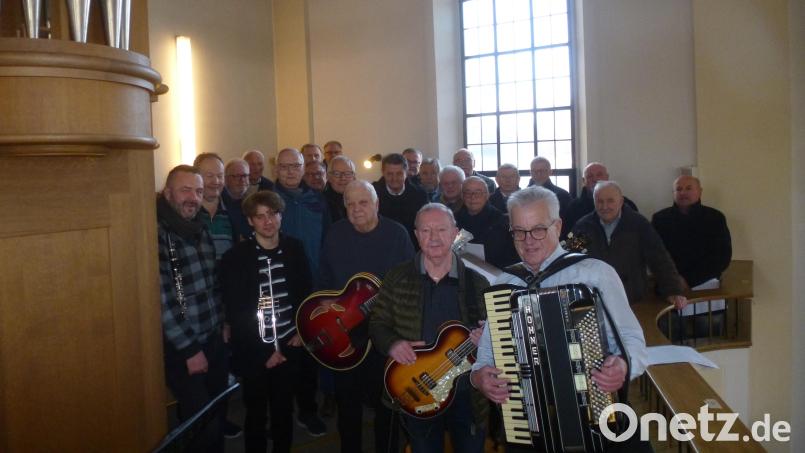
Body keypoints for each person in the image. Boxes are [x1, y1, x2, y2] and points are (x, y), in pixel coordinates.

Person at [469, 186, 650, 453]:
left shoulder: (594, 274)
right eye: (519, 231)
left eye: (539, 229)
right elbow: (485, 359)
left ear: (558, 225)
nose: (529, 240)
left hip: (598, 419)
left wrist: (622, 366)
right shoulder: (504, 285)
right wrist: (479, 379)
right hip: (529, 425)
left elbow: (632, 340)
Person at [369, 203, 489, 453]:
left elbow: (495, 338)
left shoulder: (477, 283)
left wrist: (485, 341)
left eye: (441, 229)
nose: (434, 238)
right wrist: (392, 343)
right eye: (425, 231)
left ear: (455, 232)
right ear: (416, 235)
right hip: (417, 388)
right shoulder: (396, 277)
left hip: (466, 392)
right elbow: (377, 323)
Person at [319, 180, 415, 453]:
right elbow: (324, 281)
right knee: (347, 407)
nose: (356, 209)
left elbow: (408, 287)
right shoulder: (335, 234)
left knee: (386, 404)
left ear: (376, 204)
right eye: (350, 203)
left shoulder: (397, 235)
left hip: (384, 335)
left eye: (363, 202)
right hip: (344, 335)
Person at [221, 190, 312, 453]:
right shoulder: (235, 258)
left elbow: (306, 294)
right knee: (256, 413)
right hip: (254, 351)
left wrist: (300, 331)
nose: (267, 221)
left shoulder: (295, 248)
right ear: (250, 221)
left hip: (290, 344)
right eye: (259, 217)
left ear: (280, 216)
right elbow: (237, 312)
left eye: (272, 214)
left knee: (284, 411)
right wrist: (265, 353)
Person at [157, 165, 227, 452]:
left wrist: (224, 324)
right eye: (186, 190)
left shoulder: (200, 228)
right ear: (168, 192)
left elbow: (214, 283)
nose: (193, 197)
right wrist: (189, 350)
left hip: (212, 336)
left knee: (218, 411)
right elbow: (162, 298)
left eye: (198, 191)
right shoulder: (157, 233)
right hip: (184, 347)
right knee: (203, 425)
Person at [271, 147, 329, 436]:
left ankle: (307, 410)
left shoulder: (317, 200)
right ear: (276, 169)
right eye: (285, 166)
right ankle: (279, 413)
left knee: (308, 354)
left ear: (304, 167)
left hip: (312, 286)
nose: (291, 171)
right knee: (278, 352)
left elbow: (327, 243)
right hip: (278, 288)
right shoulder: (268, 201)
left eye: (296, 166)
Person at [572, 181, 687, 308]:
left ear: (621, 201)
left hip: (632, 299)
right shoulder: (583, 227)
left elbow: (659, 258)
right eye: (600, 201)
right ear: (594, 202)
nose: (605, 206)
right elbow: (570, 256)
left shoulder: (638, 224)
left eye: (610, 201)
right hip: (595, 299)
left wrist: (673, 291)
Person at [651, 175, 732, 289]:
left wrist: (689, 280)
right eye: (678, 189)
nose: (683, 193)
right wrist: (673, 279)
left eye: (688, 188)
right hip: (670, 285)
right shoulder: (660, 219)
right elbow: (654, 254)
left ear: (700, 191)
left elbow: (722, 256)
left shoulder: (715, 218)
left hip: (706, 285)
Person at [455, 176, 519, 269]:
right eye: (468, 193)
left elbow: (511, 257)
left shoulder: (501, 221)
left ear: (487, 195)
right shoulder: (453, 220)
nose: (473, 197)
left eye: (478, 192)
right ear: (462, 196)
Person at [564, 162, 637, 237]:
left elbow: (644, 243)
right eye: (590, 176)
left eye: (599, 175)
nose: (595, 179)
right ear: (583, 181)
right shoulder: (575, 211)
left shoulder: (628, 206)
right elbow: (570, 245)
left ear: (607, 177)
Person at [372, 153, 428, 247]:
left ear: (406, 172)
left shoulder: (419, 195)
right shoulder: (372, 195)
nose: (394, 179)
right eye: (390, 174)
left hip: (413, 247)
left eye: (399, 174)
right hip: (380, 246)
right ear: (383, 172)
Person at [194, 153, 236, 259]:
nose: (216, 181)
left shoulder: (236, 212)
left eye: (220, 176)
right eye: (209, 176)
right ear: (196, 177)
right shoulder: (187, 212)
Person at [527, 157, 571, 221]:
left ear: (550, 172)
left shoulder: (562, 195)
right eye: (535, 171)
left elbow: (567, 221)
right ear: (530, 172)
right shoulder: (523, 195)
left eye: (542, 171)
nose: (539, 174)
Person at [221, 158, 254, 240]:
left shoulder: (254, 203)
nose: (242, 180)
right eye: (236, 176)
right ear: (225, 179)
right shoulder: (218, 203)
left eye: (245, 176)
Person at [323, 155, 357, 223]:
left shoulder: (360, 199)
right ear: (328, 176)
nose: (343, 178)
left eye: (348, 173)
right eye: (337, 174)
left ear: (354, 177)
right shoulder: (320, 203)